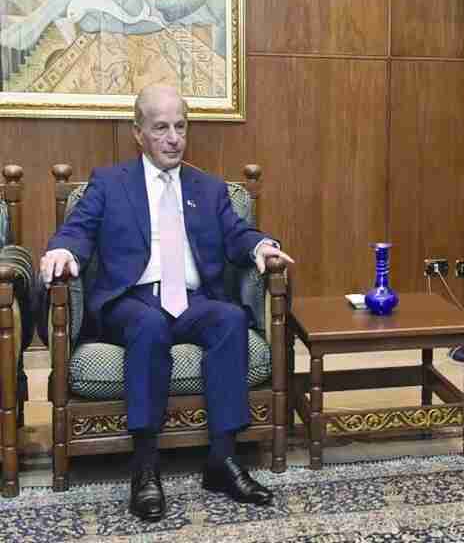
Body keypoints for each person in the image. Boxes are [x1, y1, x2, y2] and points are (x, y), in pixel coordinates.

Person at [40, 84, 295, 522]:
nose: (174, 138)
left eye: (180, 126)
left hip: (193, 300)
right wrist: (63, 250)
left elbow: (238, 234)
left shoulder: (209, 189)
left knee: (231, 319)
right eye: (161, 128)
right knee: (149, 325)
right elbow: (78, 229)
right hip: (132, 301)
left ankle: (222, 459)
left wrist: (261, 247)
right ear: (138, 132)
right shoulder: (110, 183)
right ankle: (145, 466)